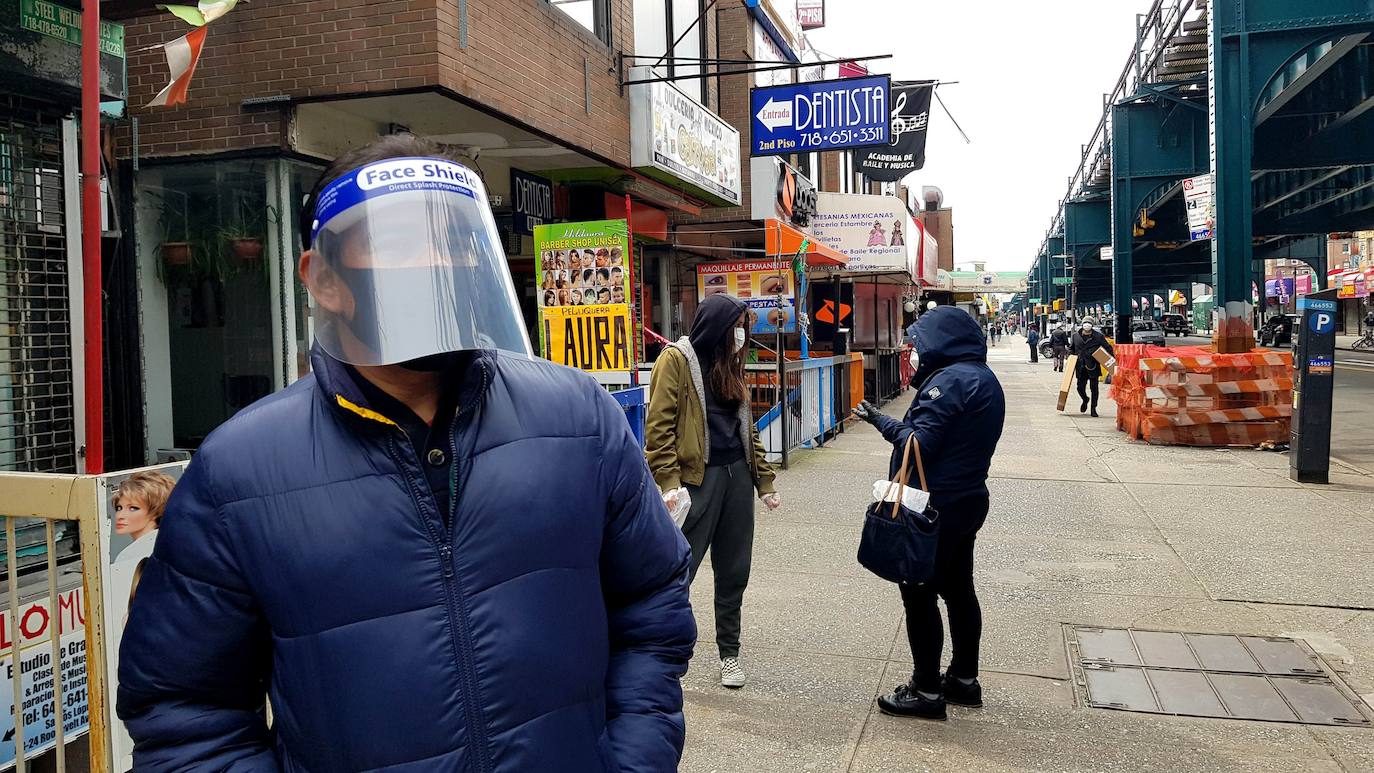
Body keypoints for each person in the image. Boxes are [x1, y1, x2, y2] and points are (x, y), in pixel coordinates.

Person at [117, 135, 696, 772]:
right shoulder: (237, 474)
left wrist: (633, 761)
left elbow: (651, 606)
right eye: (399, 241)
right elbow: (187, 715)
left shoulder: (580, 420)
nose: (438, 262)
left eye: (453, 238)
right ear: (324, 279)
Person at [851, 307, 1006, 720]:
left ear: (942, 342)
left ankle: (925, 689)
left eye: (920, 343)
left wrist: (882, 421)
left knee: (919, 594)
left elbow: (919, 444)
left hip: (933, 508)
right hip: (968, 499)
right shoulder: (983, 379)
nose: (915, 351)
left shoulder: (951, 382)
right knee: (959, 591)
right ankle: (964, 680)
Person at [646, 293, 779, 690]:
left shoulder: (729, 364)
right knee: (677, 571)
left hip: (736, 476)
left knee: (734, 570)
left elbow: (746, 428)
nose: (740, 335)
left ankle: (730, 655)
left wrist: (764, 481)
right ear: (718, 328)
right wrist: (669, 483)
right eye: (736, 327)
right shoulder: (675, 361)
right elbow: (658, 429)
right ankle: (663, 653)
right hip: (695, 482)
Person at [1070, 316, 1115, 417]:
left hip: (1093, 366)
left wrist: (1112, 360)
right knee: (1080, 387)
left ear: (1092, 325)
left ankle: (1093, 408)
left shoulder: (1098, 336)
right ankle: (1085, 399)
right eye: (1085, 322)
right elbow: (1071, 349)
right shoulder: (1075, 336)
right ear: (1082, 324)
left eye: (1089, 323)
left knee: (1094, 389)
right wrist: (1070, 357)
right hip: (1080, 366)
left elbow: (1108, 348)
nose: (1087, 325)